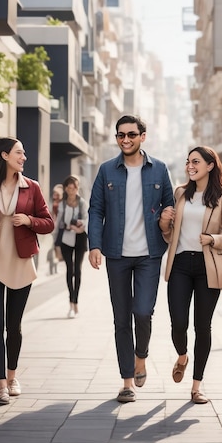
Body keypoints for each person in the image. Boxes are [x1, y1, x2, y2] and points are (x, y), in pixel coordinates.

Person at [88, 115, 174, 404]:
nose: (125, 139)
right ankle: (127, 381)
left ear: (142, 136)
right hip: (116, 254)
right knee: (121, 319)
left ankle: (141, 357)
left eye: (131, 134)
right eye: (120, 135)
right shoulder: (106, 171)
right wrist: (94, 245)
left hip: (150, 254)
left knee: (143, 312)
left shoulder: (160, 170)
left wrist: (165, 217)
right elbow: (95, 210)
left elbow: (171, 205)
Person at [0, 137, 54, 404]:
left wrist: (29, 220)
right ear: (4, 155)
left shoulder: (32, 187)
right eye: (19, 152)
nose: (24, 157)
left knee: (13, 326)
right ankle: (1, 385)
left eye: (24, 153)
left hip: (20, 261)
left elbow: (48, 223)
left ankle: (13, 376)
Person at [160, 146, 222, 405]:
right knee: (178, 323)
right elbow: (169, 234)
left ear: (210, 165)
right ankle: (182, 356)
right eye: (188, 161)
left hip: (207, 266)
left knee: (202, 326)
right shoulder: (179, 193)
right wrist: (165, 223)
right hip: (179, 265)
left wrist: (212, 238)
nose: (190, 165)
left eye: (196, 161)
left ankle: (196, 386)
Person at [53, 175, 88, 318]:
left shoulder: (82, 203)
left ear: (77, 188)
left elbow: (87, 219)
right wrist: (56, 245)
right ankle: (71, 303)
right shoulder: (62, 204)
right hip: (66, 239)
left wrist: (80, 226)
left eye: (74, 187)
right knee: (69, 270)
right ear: (66, 188)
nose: (71, 190)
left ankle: (76, 302)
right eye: (69, 187)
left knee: (78, 270)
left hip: (80, 238)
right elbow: (58, 224)